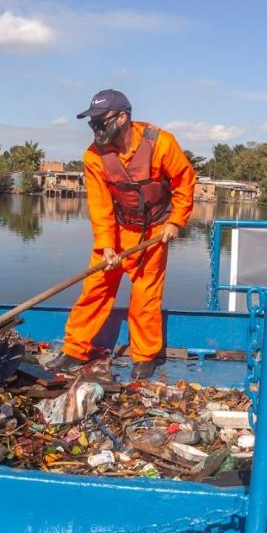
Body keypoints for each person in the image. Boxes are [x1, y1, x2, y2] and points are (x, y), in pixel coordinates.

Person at [45, 89, 196, 380]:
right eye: (93, 122)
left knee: (145, 296)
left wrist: (175, 222)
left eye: (102, 120)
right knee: (95, 289)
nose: (96, 127)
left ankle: (144, 357)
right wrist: (106, 246)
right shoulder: (93, 156)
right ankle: (75, 350)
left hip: (154, 232)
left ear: (123, 117)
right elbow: (100, 204)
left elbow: (185, 181)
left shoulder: (161, 143)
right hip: (118, 229)